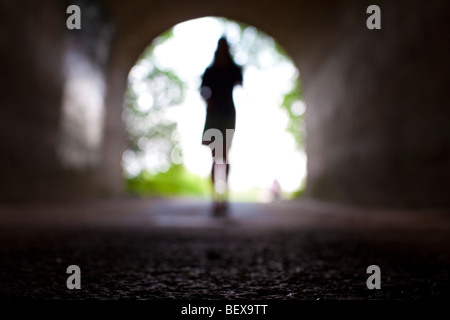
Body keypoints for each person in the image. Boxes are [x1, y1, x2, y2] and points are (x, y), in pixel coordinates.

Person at [200, 37, 243, 214]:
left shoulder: (234, 69)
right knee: (215, 156)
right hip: (214, 114)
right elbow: (202, 91)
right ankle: (215, 198)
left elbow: (240, 84)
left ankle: (223, 196)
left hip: (227, 114)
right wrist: (208, 101)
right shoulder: (210, 71)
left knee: (224, 155)